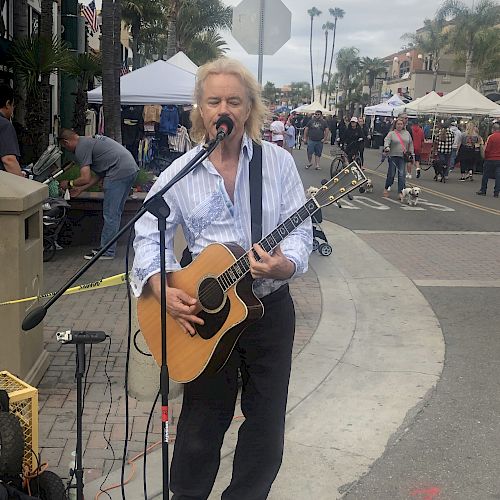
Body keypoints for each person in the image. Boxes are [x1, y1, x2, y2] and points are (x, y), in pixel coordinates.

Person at [131, 57, 312, 499]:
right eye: (214, 101)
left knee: (267, 425)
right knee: (200, 425)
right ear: (200, 109)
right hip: (205, 317)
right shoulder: (180, 172)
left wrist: (284, 265)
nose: (223, 109)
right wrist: (164, 287)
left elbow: (301, 227)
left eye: (234, 100)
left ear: (249, 108)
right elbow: (144, 234)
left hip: (267, 310)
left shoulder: (279, 163)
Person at [58, 129, 138, 260]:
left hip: (118, 172)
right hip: (129, 168)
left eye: (65, 147)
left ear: (66, 142)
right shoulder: (89, 141)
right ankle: (109, 247)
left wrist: (69, 184)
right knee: (115, 213)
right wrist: (81, 189)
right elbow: (100, 173)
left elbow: (85, 177)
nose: (68, 150)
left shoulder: (80, 148)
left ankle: (107, 251)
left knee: (110, 214)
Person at [383, 117, 414, 200]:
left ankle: (401, 192)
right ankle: (386, 187)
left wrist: (412, 155)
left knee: (401, 175)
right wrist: (387, 147)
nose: (399, 126)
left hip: (402, 157)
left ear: (403, 125)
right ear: (395, 125)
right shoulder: (391, 133)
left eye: (401, 124)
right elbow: (386, 141)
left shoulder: (407, 133)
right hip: (393, 156)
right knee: (391, 174)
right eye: (398, 124)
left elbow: (410, 144)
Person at [0, 84, 25, 177]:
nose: (13, 109)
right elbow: (9, 160)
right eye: (13, 105)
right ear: (7, 104)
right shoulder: (4, 125)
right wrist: (21, 183)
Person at [476, 122, 500, 198]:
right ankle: (496, 192)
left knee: (486, 175)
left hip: (490, 158)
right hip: (499, 159)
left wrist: (485, 157)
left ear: (493, 129)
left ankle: (483, 190)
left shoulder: (491, 137)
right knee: (498, 176)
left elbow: (487, 149)